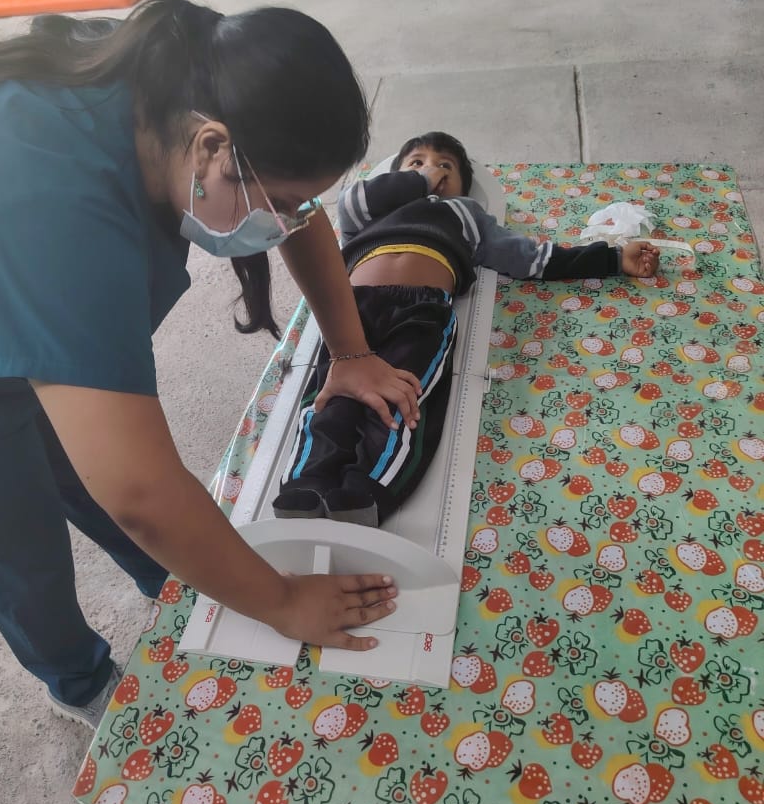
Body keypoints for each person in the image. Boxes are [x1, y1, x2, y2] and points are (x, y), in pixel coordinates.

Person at [0, 0, 425, 729]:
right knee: (15, 540)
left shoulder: (186, 73)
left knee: (88, 465)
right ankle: (77, 679)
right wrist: (283, 601)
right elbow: (139, 490)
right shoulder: (55, 217)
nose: (286, 222)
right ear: (211, 148)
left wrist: (351, 352)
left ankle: (176, 580)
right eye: (281, 204)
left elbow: (300, 212)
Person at [273, 130, 660, 528]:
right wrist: (418, 181)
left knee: (402, 398)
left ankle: (366, 490)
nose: (432, 169)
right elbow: (351, 201)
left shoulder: (466, 214)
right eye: (417, 162)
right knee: (332, 396)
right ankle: (306, 482)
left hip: (422, 310)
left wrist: (613, 258)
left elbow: (532, 259)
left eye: (446, 166)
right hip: (348, 312)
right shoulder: (367, 209)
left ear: (463, 186)